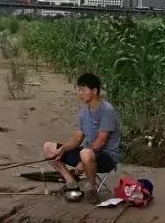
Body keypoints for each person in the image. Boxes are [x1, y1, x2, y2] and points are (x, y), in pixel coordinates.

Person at [43, 73, 121, 201]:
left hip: (106, 158)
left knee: (85, 153)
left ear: (94, 91)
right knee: (48, 147)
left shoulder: (107, 110)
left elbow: (100, 142)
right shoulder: (84, 113)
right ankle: (71, 184)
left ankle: (92, 189)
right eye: (79, 90)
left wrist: (81, 161)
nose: (80, 93)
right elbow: (77, 138)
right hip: (87, 153)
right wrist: (62, 150)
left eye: (83, 90)